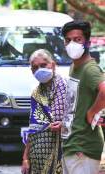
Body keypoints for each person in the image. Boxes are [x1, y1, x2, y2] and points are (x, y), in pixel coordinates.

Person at [61, 21, 105, 174]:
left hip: (83, 148)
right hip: (71, 145)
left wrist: (92, 112)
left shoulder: (90, 69)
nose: (72, 43)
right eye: (68, 40)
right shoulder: (74, 67)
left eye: (77, 39)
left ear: (88, 42)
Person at [21, 49, 67, 174]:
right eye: (35, 67)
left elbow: (80, 118)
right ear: (32, 71)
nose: (39, 70)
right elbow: (33, 129)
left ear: (52, 64)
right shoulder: (36, 94)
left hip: (64, 156)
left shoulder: (67, 87)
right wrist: (25, 158)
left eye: (43, 65)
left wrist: (64, 125)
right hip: (37, 159)